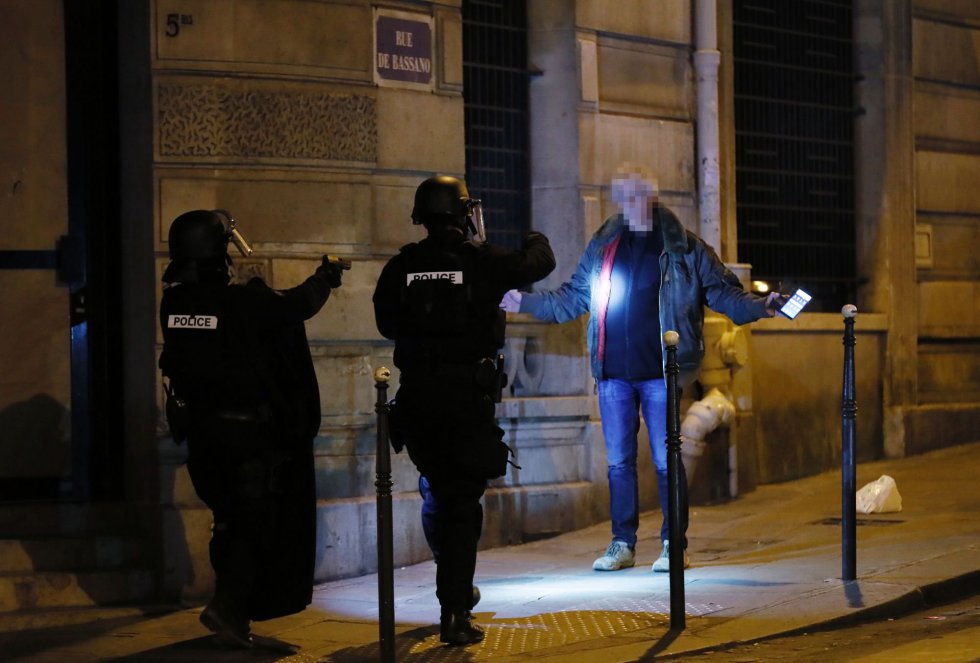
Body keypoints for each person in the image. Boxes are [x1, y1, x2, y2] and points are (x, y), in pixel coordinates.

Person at [500, 164, 781, 573]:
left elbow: (725, 295)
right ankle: (623, 543)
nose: (629, 203)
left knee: (668, 460)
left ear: (651, 197)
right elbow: (572, 298)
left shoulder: (683, 248)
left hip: (660, 373)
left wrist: (764, 306)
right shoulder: (605, 246)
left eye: (636, 194)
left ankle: (673, 544)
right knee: (618, 462)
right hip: (613, 373)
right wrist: (524, 302)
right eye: (623, 195)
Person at [373, 176, 555, 645]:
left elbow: (387, 322)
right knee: (461, 505)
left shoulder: (401, 266)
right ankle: (454, 609)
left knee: (438, 493)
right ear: (461, 213)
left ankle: (452, 584)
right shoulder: (481, 261)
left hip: (417, 403)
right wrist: (534, 234)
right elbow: (540, 262)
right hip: (464, 404)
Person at [159, 209, 346, 647]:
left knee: (227, 521)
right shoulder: (240, 301)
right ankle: (227, 607)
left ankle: (234, 616)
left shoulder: (175, 304)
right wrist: (327, 277)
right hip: (244, 438)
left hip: (202, 438)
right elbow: (298, 305)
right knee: (255, 525)